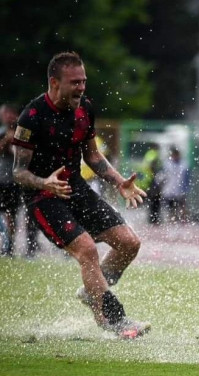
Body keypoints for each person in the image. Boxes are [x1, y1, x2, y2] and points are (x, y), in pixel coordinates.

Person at [12, 51, 150, 339]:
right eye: (75, 82)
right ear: (54, 83)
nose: (81, 88)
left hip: (77, 189)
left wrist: (118, 181)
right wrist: (45, 182)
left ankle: (93, 291)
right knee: (87, 250)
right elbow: (18, 172)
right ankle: (115, 319)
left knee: (129, 243)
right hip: (43, 198)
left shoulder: (85, 108)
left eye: (83, 81)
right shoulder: (32, 116)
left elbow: (93, 156)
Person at [0, 104, 21, 256]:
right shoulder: (2, 133)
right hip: (1, 178)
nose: (8, 117)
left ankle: (9, 246)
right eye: (5, 114)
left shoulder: (21, 132)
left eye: (11, 113)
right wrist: (5, 141)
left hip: (12, 181)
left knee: (11, 214)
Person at [160, 146, 189, 222]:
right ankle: (172, 218)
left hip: (180, 188)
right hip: (169, 188)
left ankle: (183, 219)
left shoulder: (184, 164)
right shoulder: (167, 164)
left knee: (181, 204)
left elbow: (186, 177)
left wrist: (185, 187)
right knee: (171, 206)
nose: (175, 157)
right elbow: (163, 176)